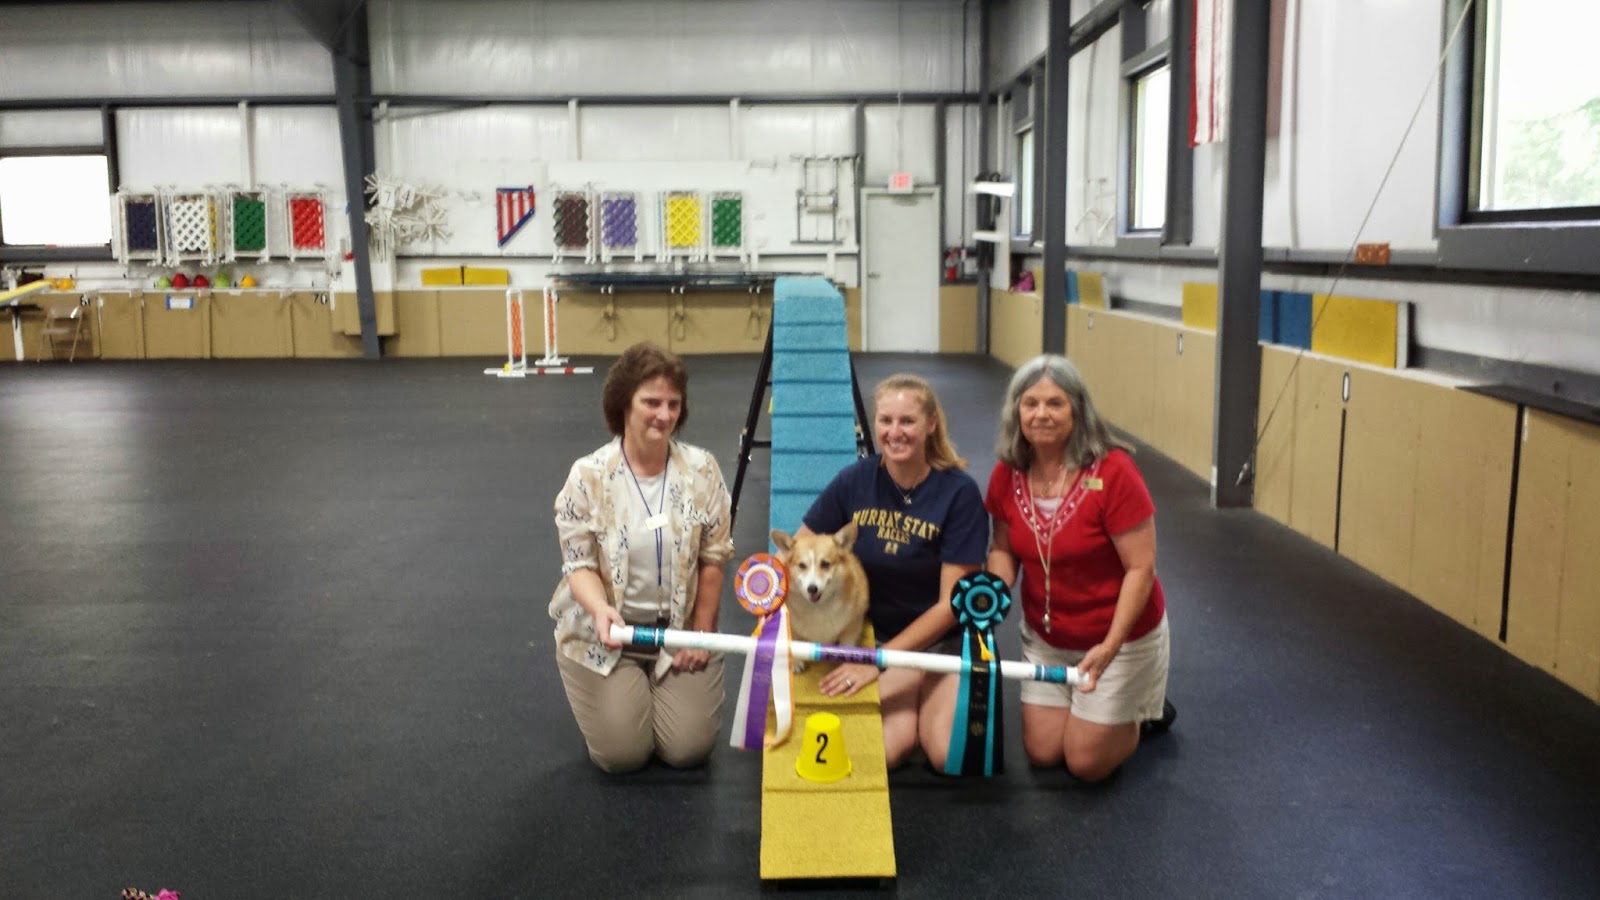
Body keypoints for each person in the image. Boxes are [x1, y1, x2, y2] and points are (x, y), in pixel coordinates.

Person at [984, 354, 1173, 782]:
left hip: (1117, 638)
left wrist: (1109, 647)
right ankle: (1101, 709)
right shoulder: (1008, 473)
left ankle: (1142, 711)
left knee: (1085, 764)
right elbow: (1002, 548)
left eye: (1055, 403)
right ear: (1016, 411)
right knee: (1044, 753)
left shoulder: (1114, 471)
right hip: (1048, 637)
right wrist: (989, 595)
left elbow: (1141, 569)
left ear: (1077, 410)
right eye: (1030, 403)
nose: (1041, 414)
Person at [549, 342, 734, 773]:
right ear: (624, 404)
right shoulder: (588, 476)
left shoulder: (703, 470)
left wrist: (700, 631)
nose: (664, 415)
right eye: (651, 402)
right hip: (607, 637)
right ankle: (620, 694)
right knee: (622, 756)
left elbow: (714, 557)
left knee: (688, 751)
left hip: (678, 633)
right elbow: (579, 565)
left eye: (673, 404)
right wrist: (601, 611)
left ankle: (649, 693)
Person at [796, 374, 989, 770]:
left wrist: (878, 661)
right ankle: (910, 685)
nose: (894, 432)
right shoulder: (855, 480)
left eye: (907, 421)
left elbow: (952, 605)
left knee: (946, 755)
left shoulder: (960, 493)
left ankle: (919, 684)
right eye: (885, 420)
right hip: (878, 634)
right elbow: (800, 550)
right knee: (883, 750)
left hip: (942, 639)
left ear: (931, 424)